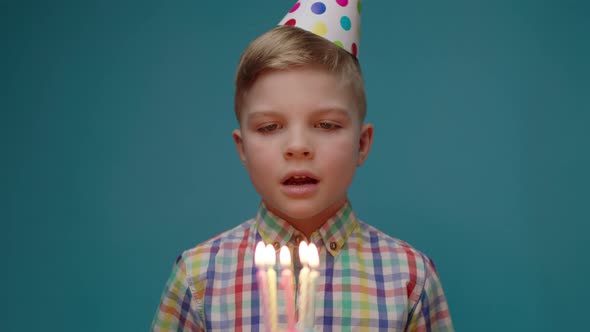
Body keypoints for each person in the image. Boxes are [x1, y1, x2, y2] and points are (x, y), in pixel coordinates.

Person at [152, 1, 453, 331]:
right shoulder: (199, 278)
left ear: (362, 144)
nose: (298, 147)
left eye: (326, 125)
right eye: (269, 127)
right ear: (242, 148)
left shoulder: (410, 278)